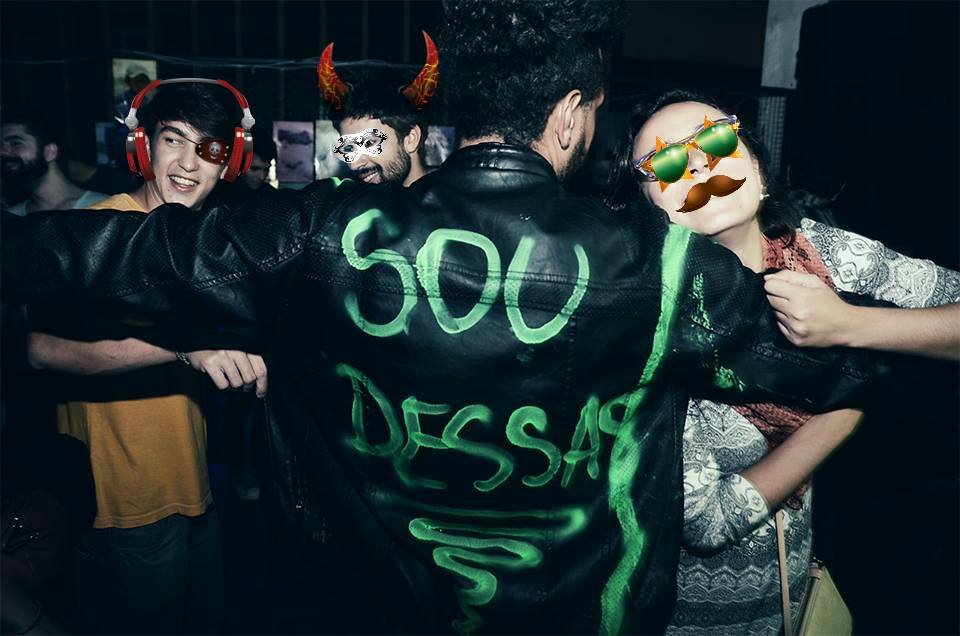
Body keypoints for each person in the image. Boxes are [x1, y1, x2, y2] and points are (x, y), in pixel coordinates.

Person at [3, 3, 880, 634]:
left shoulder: (315, 233)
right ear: (569, 114)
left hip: (395, 606)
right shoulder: (657, 265)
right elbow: (837, 365)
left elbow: (103, 254)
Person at [607, 90, 960, 633]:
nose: (699, 164)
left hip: (793, 606)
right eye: (668, 160)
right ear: (644, 205)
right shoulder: (644, 323)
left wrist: (851, 324)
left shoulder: (822, 254)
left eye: (715, 139)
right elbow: (707, 521)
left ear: (756, 166)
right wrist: (840, 416)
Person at [26, 82, 268, 635]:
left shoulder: (198, 241)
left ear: (229, 162)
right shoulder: (96, 232)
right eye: (173, 140)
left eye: (209, 148)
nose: (189, 163)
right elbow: (38, 350)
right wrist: (181, 347)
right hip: (122, 499)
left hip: (191, 482)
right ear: (142, 146)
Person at [323, 35, 436, 187]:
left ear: (411, 139)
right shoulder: (355, 198)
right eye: (349, 148)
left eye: (370, 143)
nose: (354, 164)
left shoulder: (453, 198)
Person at [1, 113, 108, 215]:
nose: (2, 152)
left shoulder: (105, 208)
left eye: (16, 143)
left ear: (50, 152)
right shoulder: (10, 219)